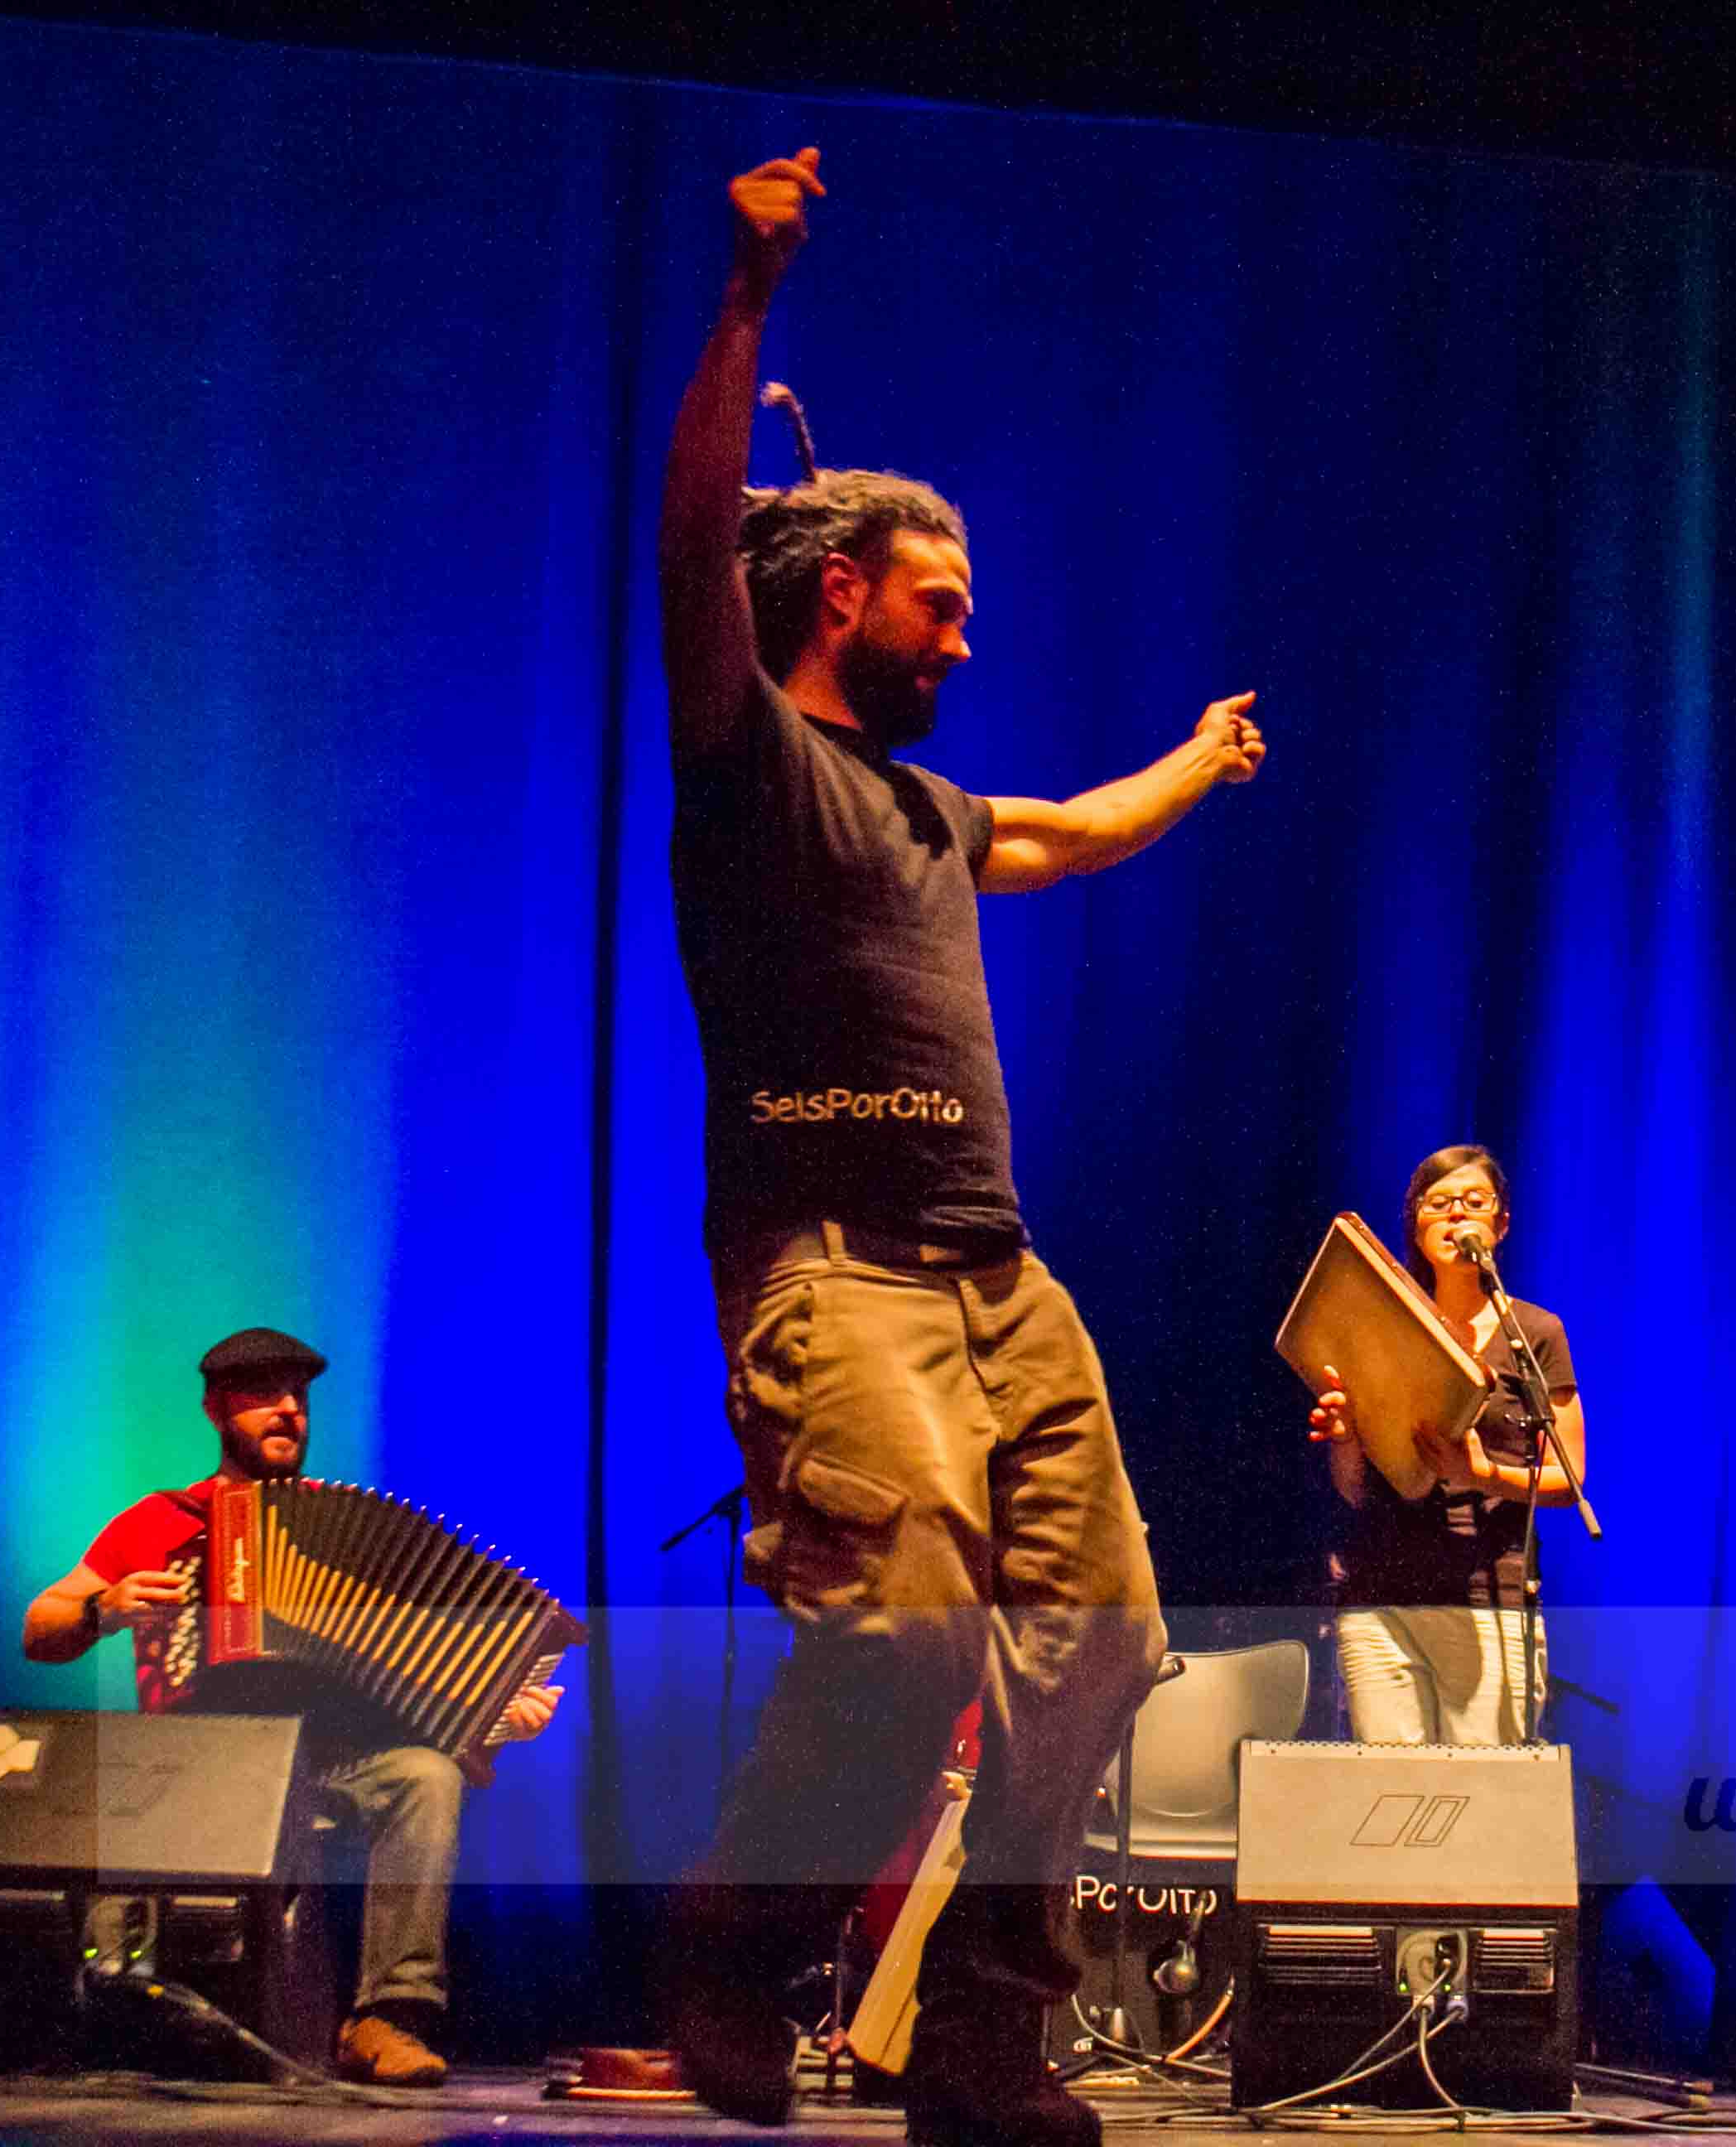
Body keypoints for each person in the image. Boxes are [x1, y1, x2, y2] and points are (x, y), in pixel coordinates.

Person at [653, 147, 1264, 2147]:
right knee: (909, 1628)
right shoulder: (754, 768)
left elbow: (1073, 832)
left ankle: (984, 2039)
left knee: (1100, 1651)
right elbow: (692, 553)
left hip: (1006, 1284)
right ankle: (736, 1944)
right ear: (842, 594)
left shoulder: (934, 816)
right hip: (837, 1273)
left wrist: (1203, 758)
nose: (966, 644)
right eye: (945, 608)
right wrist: (747, 295)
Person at [20, 1327, 562, 2088]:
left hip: (322, 1764)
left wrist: (498, 1718)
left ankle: (389, 2017)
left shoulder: (349, 1530)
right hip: (198, 1757)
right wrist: (102, 1608)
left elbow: (423, 1668)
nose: (287, 1411)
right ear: (216, 1410)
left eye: (299, 1398)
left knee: (426, 1775)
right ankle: (111, 2002)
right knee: (128, 1783)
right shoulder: (163, 1521)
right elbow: (39, 1630)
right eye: (263, 1396)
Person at [1307, 1145, 1588, 1744]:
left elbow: (1568, 1479)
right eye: (1437, 1204)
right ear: (1415, 1225)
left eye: (1473, 1202)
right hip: (1380, 1595)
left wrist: (1482, 1476)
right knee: (1392, 1790)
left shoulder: (1535, 1334)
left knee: (1481, 1792)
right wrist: (1348, 1436)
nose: (1456, 1214)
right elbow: (1355, 1490)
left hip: (1486, 1599)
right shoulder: (1386, 1324)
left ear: (1501, 1224)